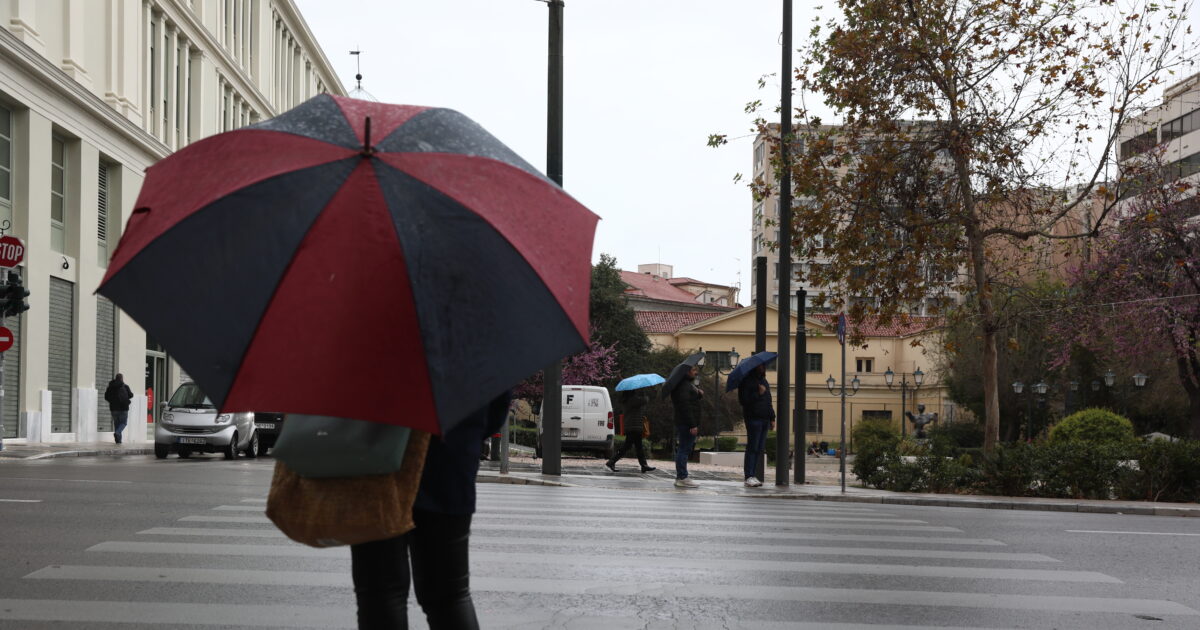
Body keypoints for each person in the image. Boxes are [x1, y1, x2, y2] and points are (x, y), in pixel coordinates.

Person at [350, 392, 511, 630]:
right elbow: (496, 398)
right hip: (449, 454)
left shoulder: (370, 352)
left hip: (377, 449)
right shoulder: (469, 353)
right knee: (449, 596)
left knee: (380, 593)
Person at [737, 364, 775, 487]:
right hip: (753, 418)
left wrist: (772, 417)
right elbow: (744, 401)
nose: (763, 367)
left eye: (764, 366)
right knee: (752, 447)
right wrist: (758, 393)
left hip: (764, 418)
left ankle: (752, 475)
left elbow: (768, 400)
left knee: (759, 448)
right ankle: (749, 476)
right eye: (760, 366)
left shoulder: (764, 381)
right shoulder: (746, 381)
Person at [606, 388, 656, 473]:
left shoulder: (628, 399)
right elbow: (645, 400)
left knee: (638, 447)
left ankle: (644, 465)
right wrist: (644, 393)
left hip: (633, 426)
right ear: (631, 392)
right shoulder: (632, 400)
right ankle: (611, 462)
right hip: (634, 427)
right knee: (627, 446)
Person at [669, 365, 703, 488]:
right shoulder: (684, 386)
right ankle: (682, 477)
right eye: (694, 370)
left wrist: (698, 394)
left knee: (684, 449)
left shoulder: (685, 385)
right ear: (687, 372)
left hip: (684, 422)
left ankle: (682, 476)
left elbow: (690, 401)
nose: (696, 372)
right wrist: (692, 424)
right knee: (684, 449)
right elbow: (685, 406)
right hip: (686, 423)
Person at [103, 374, 133, 444]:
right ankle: (117, 433)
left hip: (113, 409)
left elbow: (106, 397)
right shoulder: (125, 386)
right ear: (122, 378)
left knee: (117, 424)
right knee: (123, 423)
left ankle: (118, 441)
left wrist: (112, 401)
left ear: (115, 378)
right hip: (123, 408)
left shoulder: (110, 387)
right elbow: (131, 395)